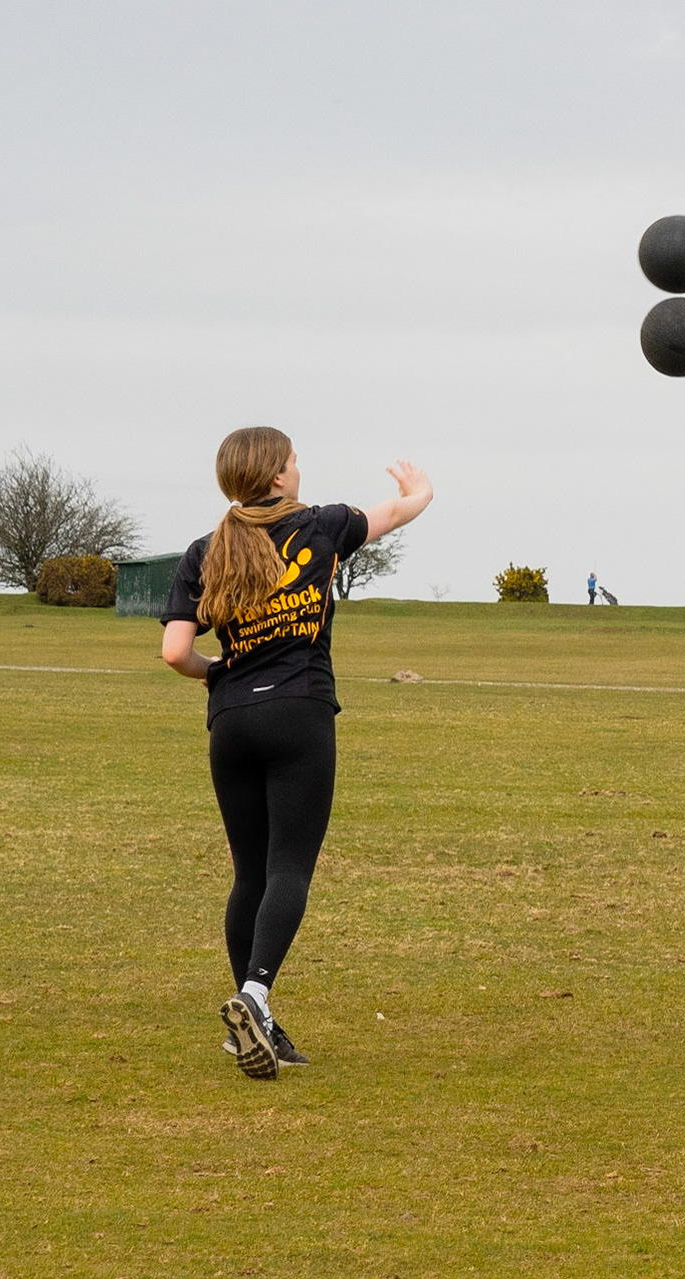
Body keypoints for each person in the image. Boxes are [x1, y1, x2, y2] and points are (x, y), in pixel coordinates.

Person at [161, 426, 434, 1078]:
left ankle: (251, 1025)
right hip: (299, 712)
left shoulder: (205, 551)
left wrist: (219, 673)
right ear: (279, 477)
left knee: (248, 874)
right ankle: (253, 996)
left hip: (230, 722)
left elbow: (174, 650)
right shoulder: (319, 526)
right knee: (290, 867)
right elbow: (398, 510)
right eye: (293, 462)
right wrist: (418, 488)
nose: (299, 469)